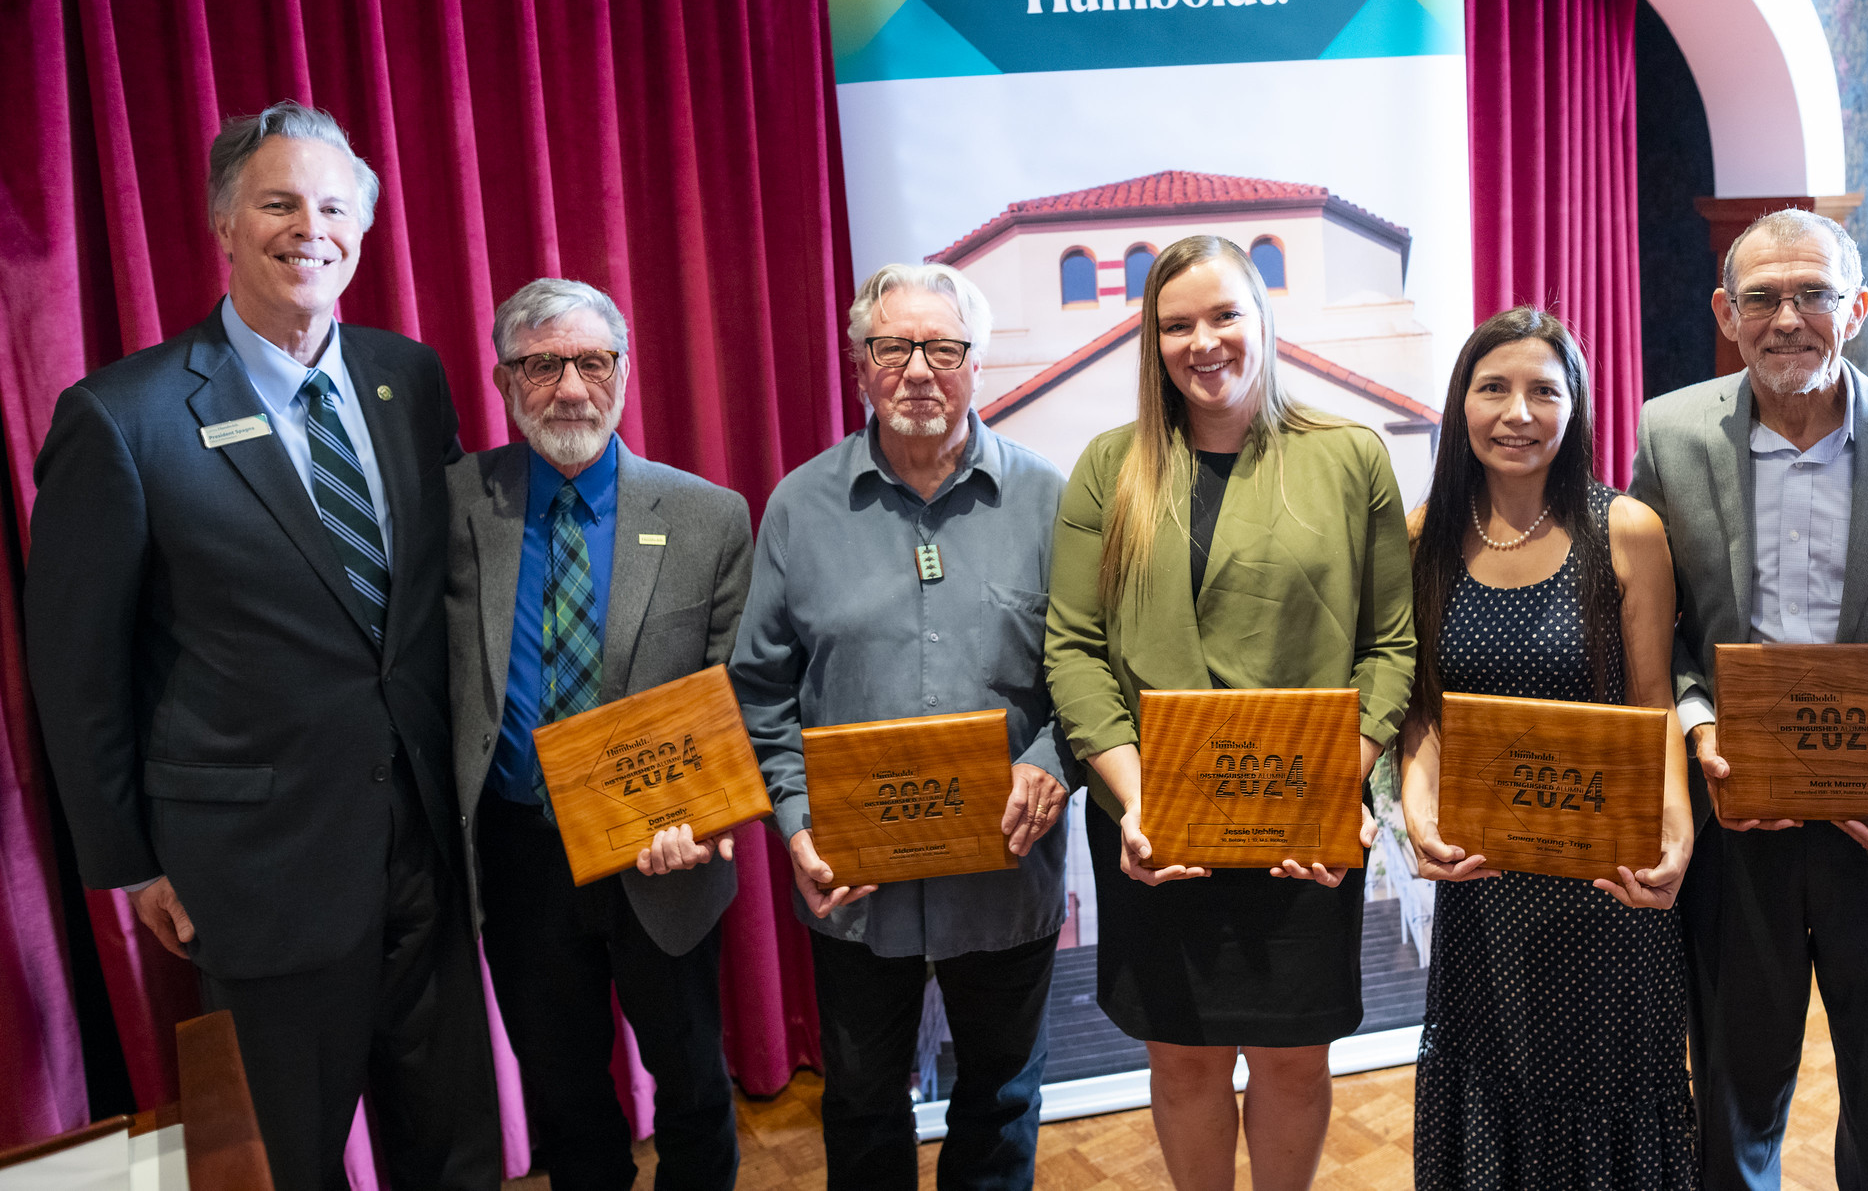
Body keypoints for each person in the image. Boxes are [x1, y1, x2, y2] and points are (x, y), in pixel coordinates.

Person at [25, 102, 499, 1191]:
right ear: (224, 227)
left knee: (456, 1150)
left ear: (363, 233)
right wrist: (128, 859)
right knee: (285, 1163)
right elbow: (76, 665)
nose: (310, 227)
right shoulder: (122, 417)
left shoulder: (407, 377)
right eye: (279, 203)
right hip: (256, 870)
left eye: (334, 207)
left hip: (426, 846)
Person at [1630, 208, 1868, 1189]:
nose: (1785, 318)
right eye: (1759, 298)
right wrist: (1696, 720)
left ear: (1853, 307)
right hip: (1736, 836)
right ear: (1725, 313)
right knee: (1726, 1130)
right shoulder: (1666, 435)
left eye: (1811, 294)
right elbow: (1654, 628)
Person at [1042, 233, 1415, 1191]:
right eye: (1175, 324)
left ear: (1263, 320)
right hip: (1154, 826)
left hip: (1305, 823)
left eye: (1222, 315)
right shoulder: (1106, 468)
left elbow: (1392, 647)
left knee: (1296, 1058)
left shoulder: (1349, 457)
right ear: (1151, 340)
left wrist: (1339, 787)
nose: (1201, 341)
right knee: (1184, 1057)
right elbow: (1075, 652)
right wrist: (1138, 802)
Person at [716, 262, 1070, 1191]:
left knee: (1000, 1099)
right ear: (859, 362)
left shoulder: (1050, 500)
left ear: (977, 364)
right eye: (893, 346)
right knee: (864, 1104)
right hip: (853, 884)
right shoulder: (799, 505)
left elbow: (1091, 671)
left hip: (1005, 875)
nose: (919, 368)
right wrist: (795, 823)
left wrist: (1050, 760)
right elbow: (762, 689)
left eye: (943, 347)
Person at [446, 279, 753, 1191]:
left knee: (694, 1082)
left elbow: (737, 693)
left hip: (666, 850)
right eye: (543, 364)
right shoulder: (455, 505)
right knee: (564, 1091)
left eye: (591, 361)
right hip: (518, 853)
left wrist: (698, 817)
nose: (570, 387)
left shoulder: (708, 514)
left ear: (624, 370)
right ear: (505, 381)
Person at [1397, 307, 1696, 1188]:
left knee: (1612, 1100)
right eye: (1493, 388)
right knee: (1491, 1093)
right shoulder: (1423, 541)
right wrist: (1418, 813)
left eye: (1543, 390)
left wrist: (1674, 831)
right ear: (1461, 405)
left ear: (1576, 410)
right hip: (1484, 884)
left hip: (1608, 886)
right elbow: (1424, 715)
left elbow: (1652, 705)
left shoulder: (1627, 531)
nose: (1517, 412)